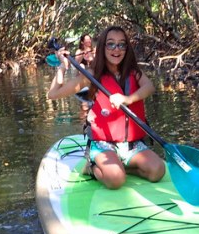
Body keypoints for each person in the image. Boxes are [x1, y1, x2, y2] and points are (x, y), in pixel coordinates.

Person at [48, 26, 166, 189]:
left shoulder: (133, 72)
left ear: (126, 48)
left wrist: (127, 99)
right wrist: (62, 67)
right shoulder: (92, 75)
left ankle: (122, 166)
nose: (116, 49)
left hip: (132, 145)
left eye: (121, 44)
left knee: (157, 171)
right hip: (104, 143)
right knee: (116, 180)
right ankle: (92, 167)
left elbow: (149, 87)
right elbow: (53, 94)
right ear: (103, 47)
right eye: (111, 44)